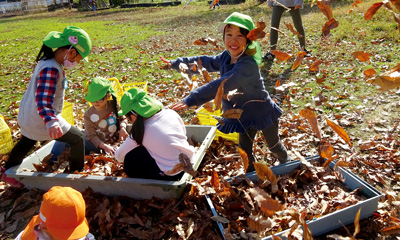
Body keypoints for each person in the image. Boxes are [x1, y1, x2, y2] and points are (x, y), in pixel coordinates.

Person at [161, 12, 290, 172]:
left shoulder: (247, 64)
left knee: (273, 143)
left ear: (248, 41)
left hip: (262, 111)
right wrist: (177, 64)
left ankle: (285, 159)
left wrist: (192, 99)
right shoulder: (225, 57)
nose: (233, 40)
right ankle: (250, 173)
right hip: (242, 115)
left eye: (239, 36)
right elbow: (203, 62)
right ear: (223, 37)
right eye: (229, 34)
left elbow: (222, 84)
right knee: (245, 149)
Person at [0, 26, 92, 187]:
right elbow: (43, 100)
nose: (77, 63)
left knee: (28, 139)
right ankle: (76, 175)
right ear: (71, 52)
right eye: (78, 59)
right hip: (43, 118)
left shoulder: (47, 62)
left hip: (29, 116)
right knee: (78, 138)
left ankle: (6, 171)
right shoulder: (51, 69)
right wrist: (52, 121)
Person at [114, 88, 195, 180]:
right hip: (190, 161)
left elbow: (119, 157)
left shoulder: (140, 131)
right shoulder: (171, 113)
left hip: (172, 174)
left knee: (130, 159)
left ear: (133, 117)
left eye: (129, 119)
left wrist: (116, 150)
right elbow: (183, 134)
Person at [14, 186, 95, 240]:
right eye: (64, 235)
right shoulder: (29, 237)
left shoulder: (83, 235)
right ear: (44, 228)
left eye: (75, 233)